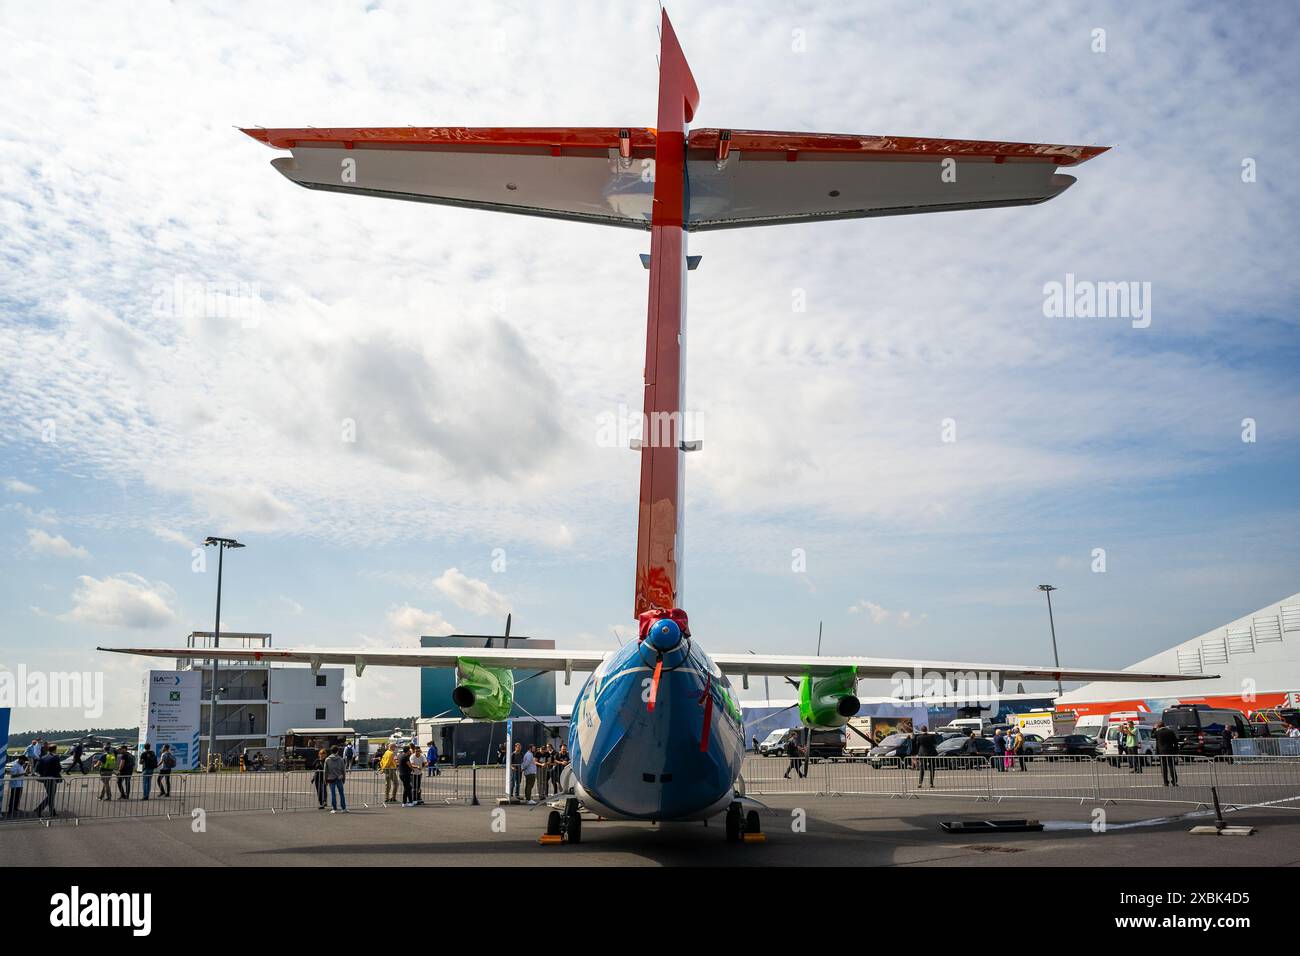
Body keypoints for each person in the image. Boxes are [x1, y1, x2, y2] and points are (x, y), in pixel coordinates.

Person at [33, 745, 62, 818]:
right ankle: (39, 809)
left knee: (50, 795)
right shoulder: (55, 757)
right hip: (52, 778)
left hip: (45, 778)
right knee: (51, 795)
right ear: (54, 750)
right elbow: (58, 768)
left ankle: (52, 811)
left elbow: (37, 769)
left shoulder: (42, 757)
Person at [1154, 721, 1179, 787]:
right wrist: (1176, 750)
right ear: (1164, 725)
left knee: (1164, 767)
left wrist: (1154, 728)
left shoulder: (1157, 732)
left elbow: (1152, 735)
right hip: (1170, 751)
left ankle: (1165, 782)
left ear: (1159, 726)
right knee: (1171, 766)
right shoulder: (1170, 731)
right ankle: (1174, 781)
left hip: (1161, 752)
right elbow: (1175, 742)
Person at [324, 746, 348, 813]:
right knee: (341, 793)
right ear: (337, 751)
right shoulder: (341, 759)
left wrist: (325, 780)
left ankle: (334, 808)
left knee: (333, 794)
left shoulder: (327, 759)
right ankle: (343, 808)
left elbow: (325, 771)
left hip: (331, 778)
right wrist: (344, 779)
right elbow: (343, 770)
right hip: (339, 778)